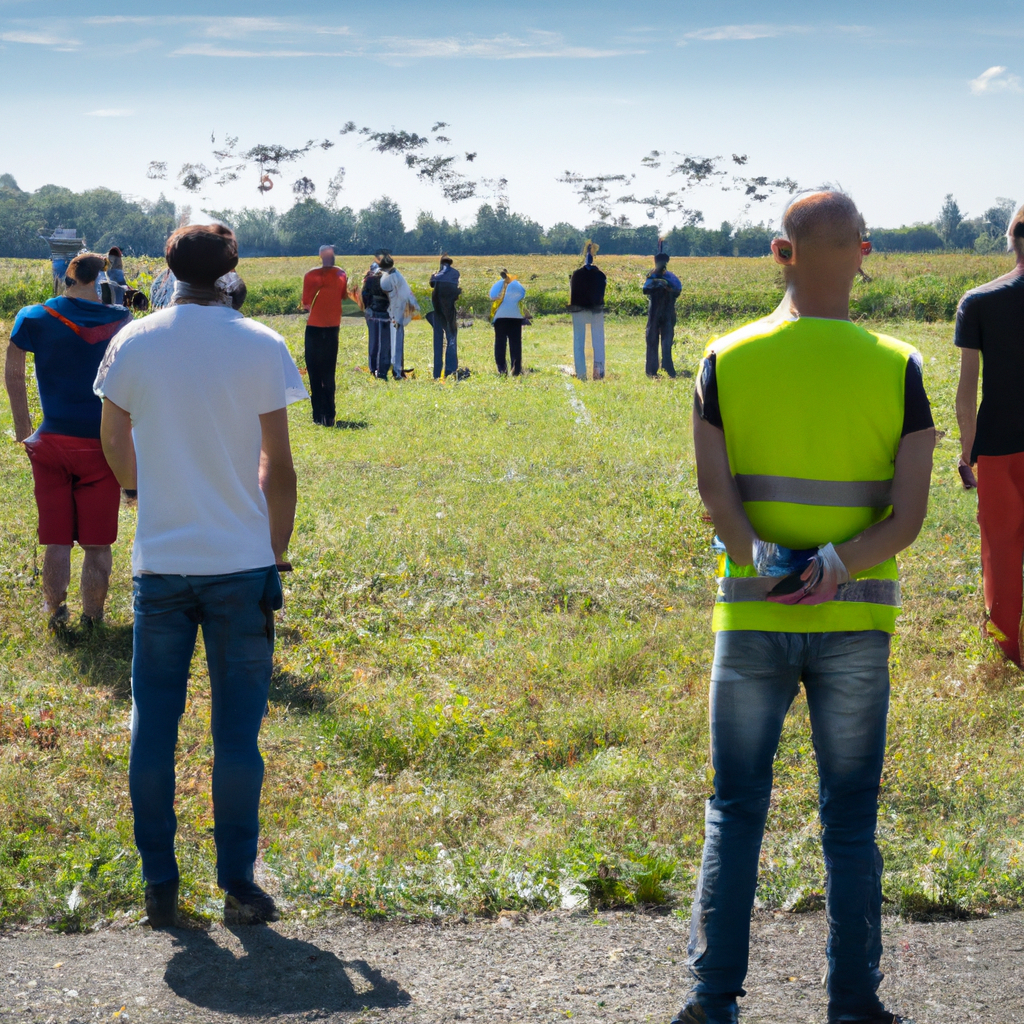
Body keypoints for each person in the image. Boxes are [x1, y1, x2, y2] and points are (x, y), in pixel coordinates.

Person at [676, 191, 934, 1024]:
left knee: (736, 810)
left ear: (779, 252)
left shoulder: (725, 356)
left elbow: (717, 500)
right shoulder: (900, 366)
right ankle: (854, 1003)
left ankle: (712, 1002)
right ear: (865, 251)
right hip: (856, 623)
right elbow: (910, 517)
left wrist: (775, 565)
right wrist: (835, 565)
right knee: (850, 818)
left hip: (751, 622)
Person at [95, 224, 307, 929]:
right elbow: (277, 464)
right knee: (237, 736)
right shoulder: (261, 344)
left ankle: (160, 881)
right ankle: (240, 884)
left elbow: (113, 438)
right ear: (232, 269)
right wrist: (275, 549)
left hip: (161, 564)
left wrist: (137, 490)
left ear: (166, 266)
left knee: (152, 727)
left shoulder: (135, 340)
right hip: (241, 563)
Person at [4, 251, 133, 631]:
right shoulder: (123, 322)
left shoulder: (34, 316)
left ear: (68, 278)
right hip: (103, 445)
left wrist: (23, 426)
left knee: (56, 540)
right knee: (98, 544)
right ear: (100, 279)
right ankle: (93, 618)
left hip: (51, 442)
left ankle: (54, 613)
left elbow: (13, 372)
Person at [954, 202, 1024, 666]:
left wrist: (966, 452)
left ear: (1012, 239)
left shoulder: (978, 301)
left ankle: (1007, 646)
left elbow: (966, 390)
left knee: (1001, 545)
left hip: (1000, 444)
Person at [301, 245, 348, 426]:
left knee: (315, 373)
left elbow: (306, 303)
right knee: (328, 373)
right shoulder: (341, 274)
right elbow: (343, 296)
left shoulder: (311, 275)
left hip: (314, 328)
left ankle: (318, 416)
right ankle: (329, 415)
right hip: (331, 328)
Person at [569, 241, 607, 380]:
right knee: (598, 343)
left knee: (579, 343)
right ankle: (598, 374)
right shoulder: (601, 275)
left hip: (578, 310)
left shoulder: (576, 274)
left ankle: (581, 374)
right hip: (596, 310)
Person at [378, 253, 419, 380]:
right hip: (394, 312)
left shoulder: (393, 277)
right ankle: (395, 369)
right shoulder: (393, 275)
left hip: (397, 313)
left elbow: (400, 297)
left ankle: (397, 370)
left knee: (396, 342)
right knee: (395, 342)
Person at [642, 249, 681, 378]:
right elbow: (645, 289)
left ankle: (668, 368)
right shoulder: (652, 276)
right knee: (652, 340)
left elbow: (677, 289)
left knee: (666, 342)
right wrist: (657, 283)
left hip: (667, 312)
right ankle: (652, 371)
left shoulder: (670, 276)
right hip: (655, 313)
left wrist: (665, 286)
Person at [489, 268, 527, 376]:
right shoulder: (516, 284)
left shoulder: (498, 284)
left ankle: (502, 369)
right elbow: (522, 294)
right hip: (515, 317)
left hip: (500, 317)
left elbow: (492, 296)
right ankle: (516, 369)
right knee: (515, 344)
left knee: (500, 344)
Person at [429, 254, 461, 379]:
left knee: (437, 342)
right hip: (449, 311)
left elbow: (432, 284)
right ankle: (451, 370)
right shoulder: (455, 273)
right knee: (451, 338)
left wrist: (433, 275)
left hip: (437, 311)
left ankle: (437, 373)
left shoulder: (436, 276)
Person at [361, 260, 391, 379]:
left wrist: (368, 308)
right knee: (385, 343)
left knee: (373, 341)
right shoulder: (388, 279)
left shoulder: (369, 279)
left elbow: (364, 296)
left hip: (372, 313)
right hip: (386, 314)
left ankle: (373, 368)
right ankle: (383, 371)